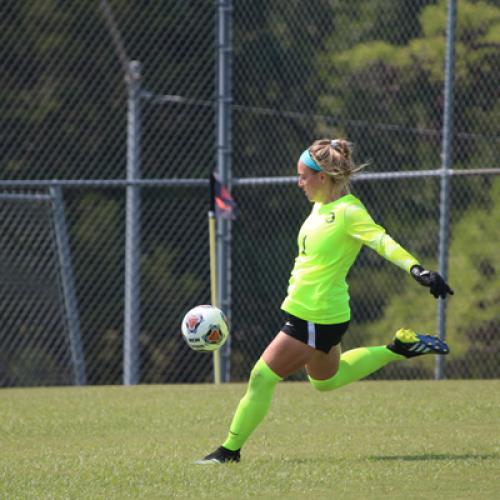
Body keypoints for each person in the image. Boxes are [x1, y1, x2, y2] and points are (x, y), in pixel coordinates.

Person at [195, 138, 454, 464]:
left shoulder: (348, 211)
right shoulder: (320, 206)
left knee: (262, 377)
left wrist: (417, 269)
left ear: (323, 176)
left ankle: (228, 452)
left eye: (303, 175)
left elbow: (381, 241)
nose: (298, 182)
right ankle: (398, 349)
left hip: (315, 316)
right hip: (318, 313)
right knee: (325, 381)